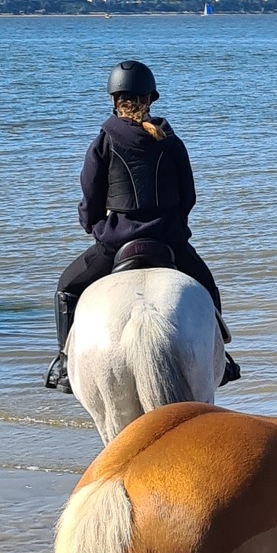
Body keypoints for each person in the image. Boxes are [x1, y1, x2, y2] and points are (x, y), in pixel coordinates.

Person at [46, 59, 238, 390]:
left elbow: (90, 200)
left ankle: (63, 365)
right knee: (206, 287)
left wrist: (96, 228)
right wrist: (173, 226)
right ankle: (224, 360)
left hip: (116, 242)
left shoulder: (103, 143)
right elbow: (188, 197)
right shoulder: (171, 141)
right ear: (150, 99)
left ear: (114, 100)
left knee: (67, 288)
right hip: (169, 240)